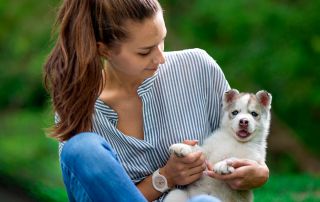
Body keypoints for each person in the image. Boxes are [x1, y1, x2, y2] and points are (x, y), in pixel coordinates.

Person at [43, 0, 269, 201]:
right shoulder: (78, 108)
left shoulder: (199, 68)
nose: (161, 57)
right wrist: (165, 177)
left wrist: (259, 174)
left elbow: (247, 143)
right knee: (82, 147)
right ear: (104, 50)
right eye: (145, 52)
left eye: (162, 40)